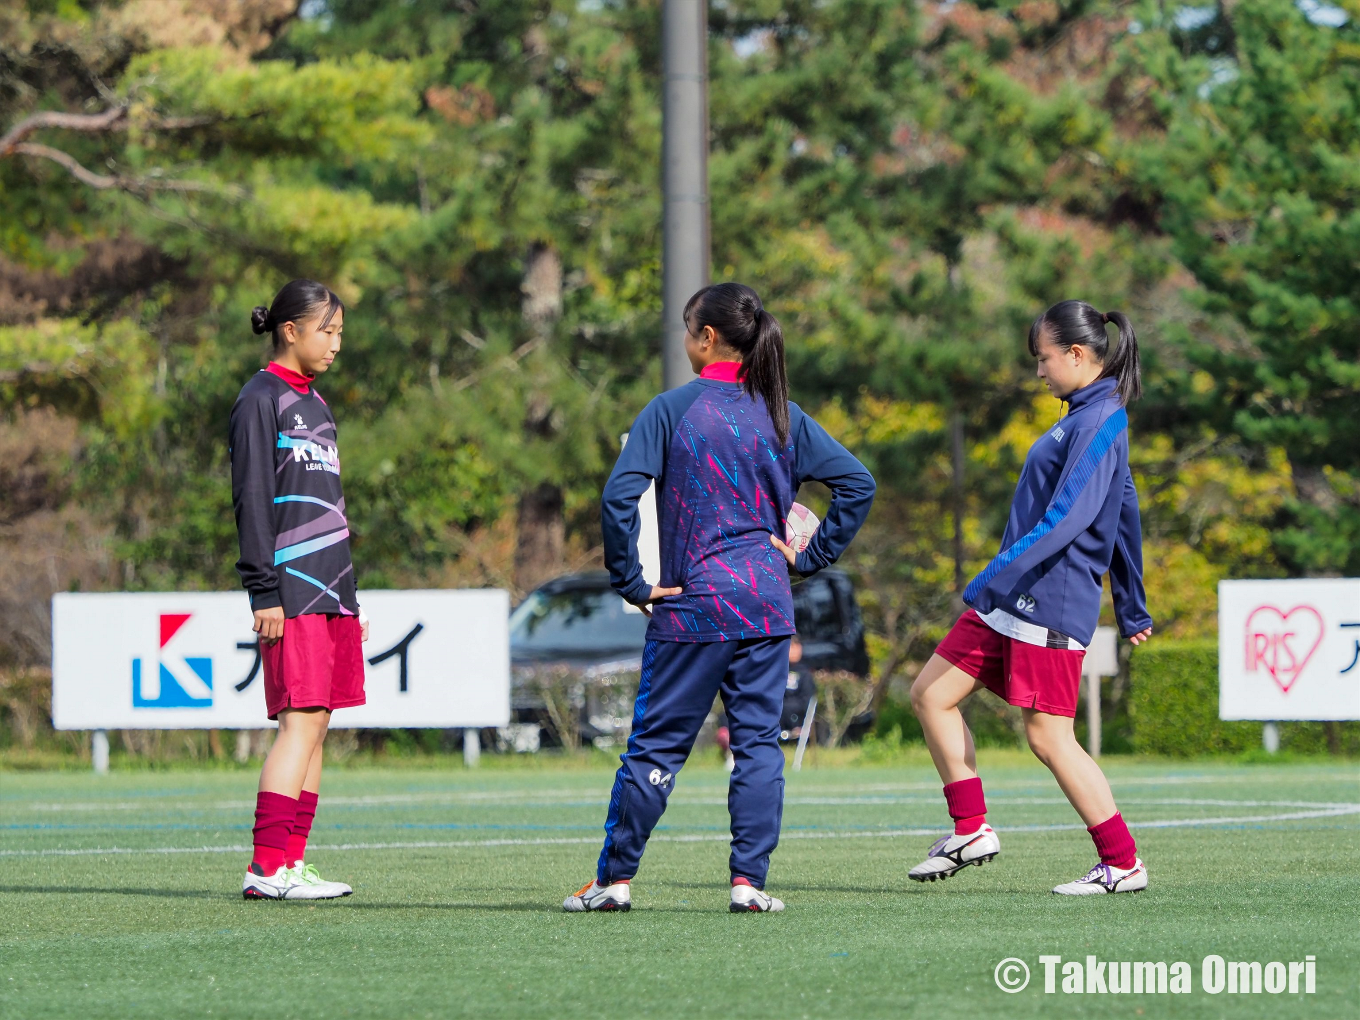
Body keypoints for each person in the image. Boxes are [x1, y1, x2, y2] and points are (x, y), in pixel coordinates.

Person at [564, 282, 875, 913]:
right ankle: (748, 885)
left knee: (656, 749)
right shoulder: (784, 414)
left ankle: (614, 882)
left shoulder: (672, 409)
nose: (684, 340)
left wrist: (631, 580)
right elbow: (857, 484)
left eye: (687, 329)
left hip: (693, 605)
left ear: (707, 338)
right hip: (765, 605)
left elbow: (619, 497)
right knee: (757, 747)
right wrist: (812, 558)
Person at [908, 300, 1154, 896]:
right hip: (1014, 597)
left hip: (1049, 600)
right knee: (931, 695)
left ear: (1077, 354)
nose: (1039, 371)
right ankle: (971, 829)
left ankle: (1122, 863)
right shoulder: (1082, 415)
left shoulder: (1101, 420)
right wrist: (1132, 605)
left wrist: (995, 574)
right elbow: (1125, 512)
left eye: (1043, 359)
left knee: (1048, 737)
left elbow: (1071, 517)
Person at [230, 279, 369, 900]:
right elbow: (253, 498)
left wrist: (349, 594)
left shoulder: (317, 403)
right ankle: (265, 869)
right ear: (291, 331)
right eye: (327, 331)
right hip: (291, 589)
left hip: (330, 590)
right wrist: (264, 591)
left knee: (316, 726)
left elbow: (329, 506)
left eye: (339, 332)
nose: (336, 344)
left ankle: (291, 863)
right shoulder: (261, 399)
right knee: (299, 724)